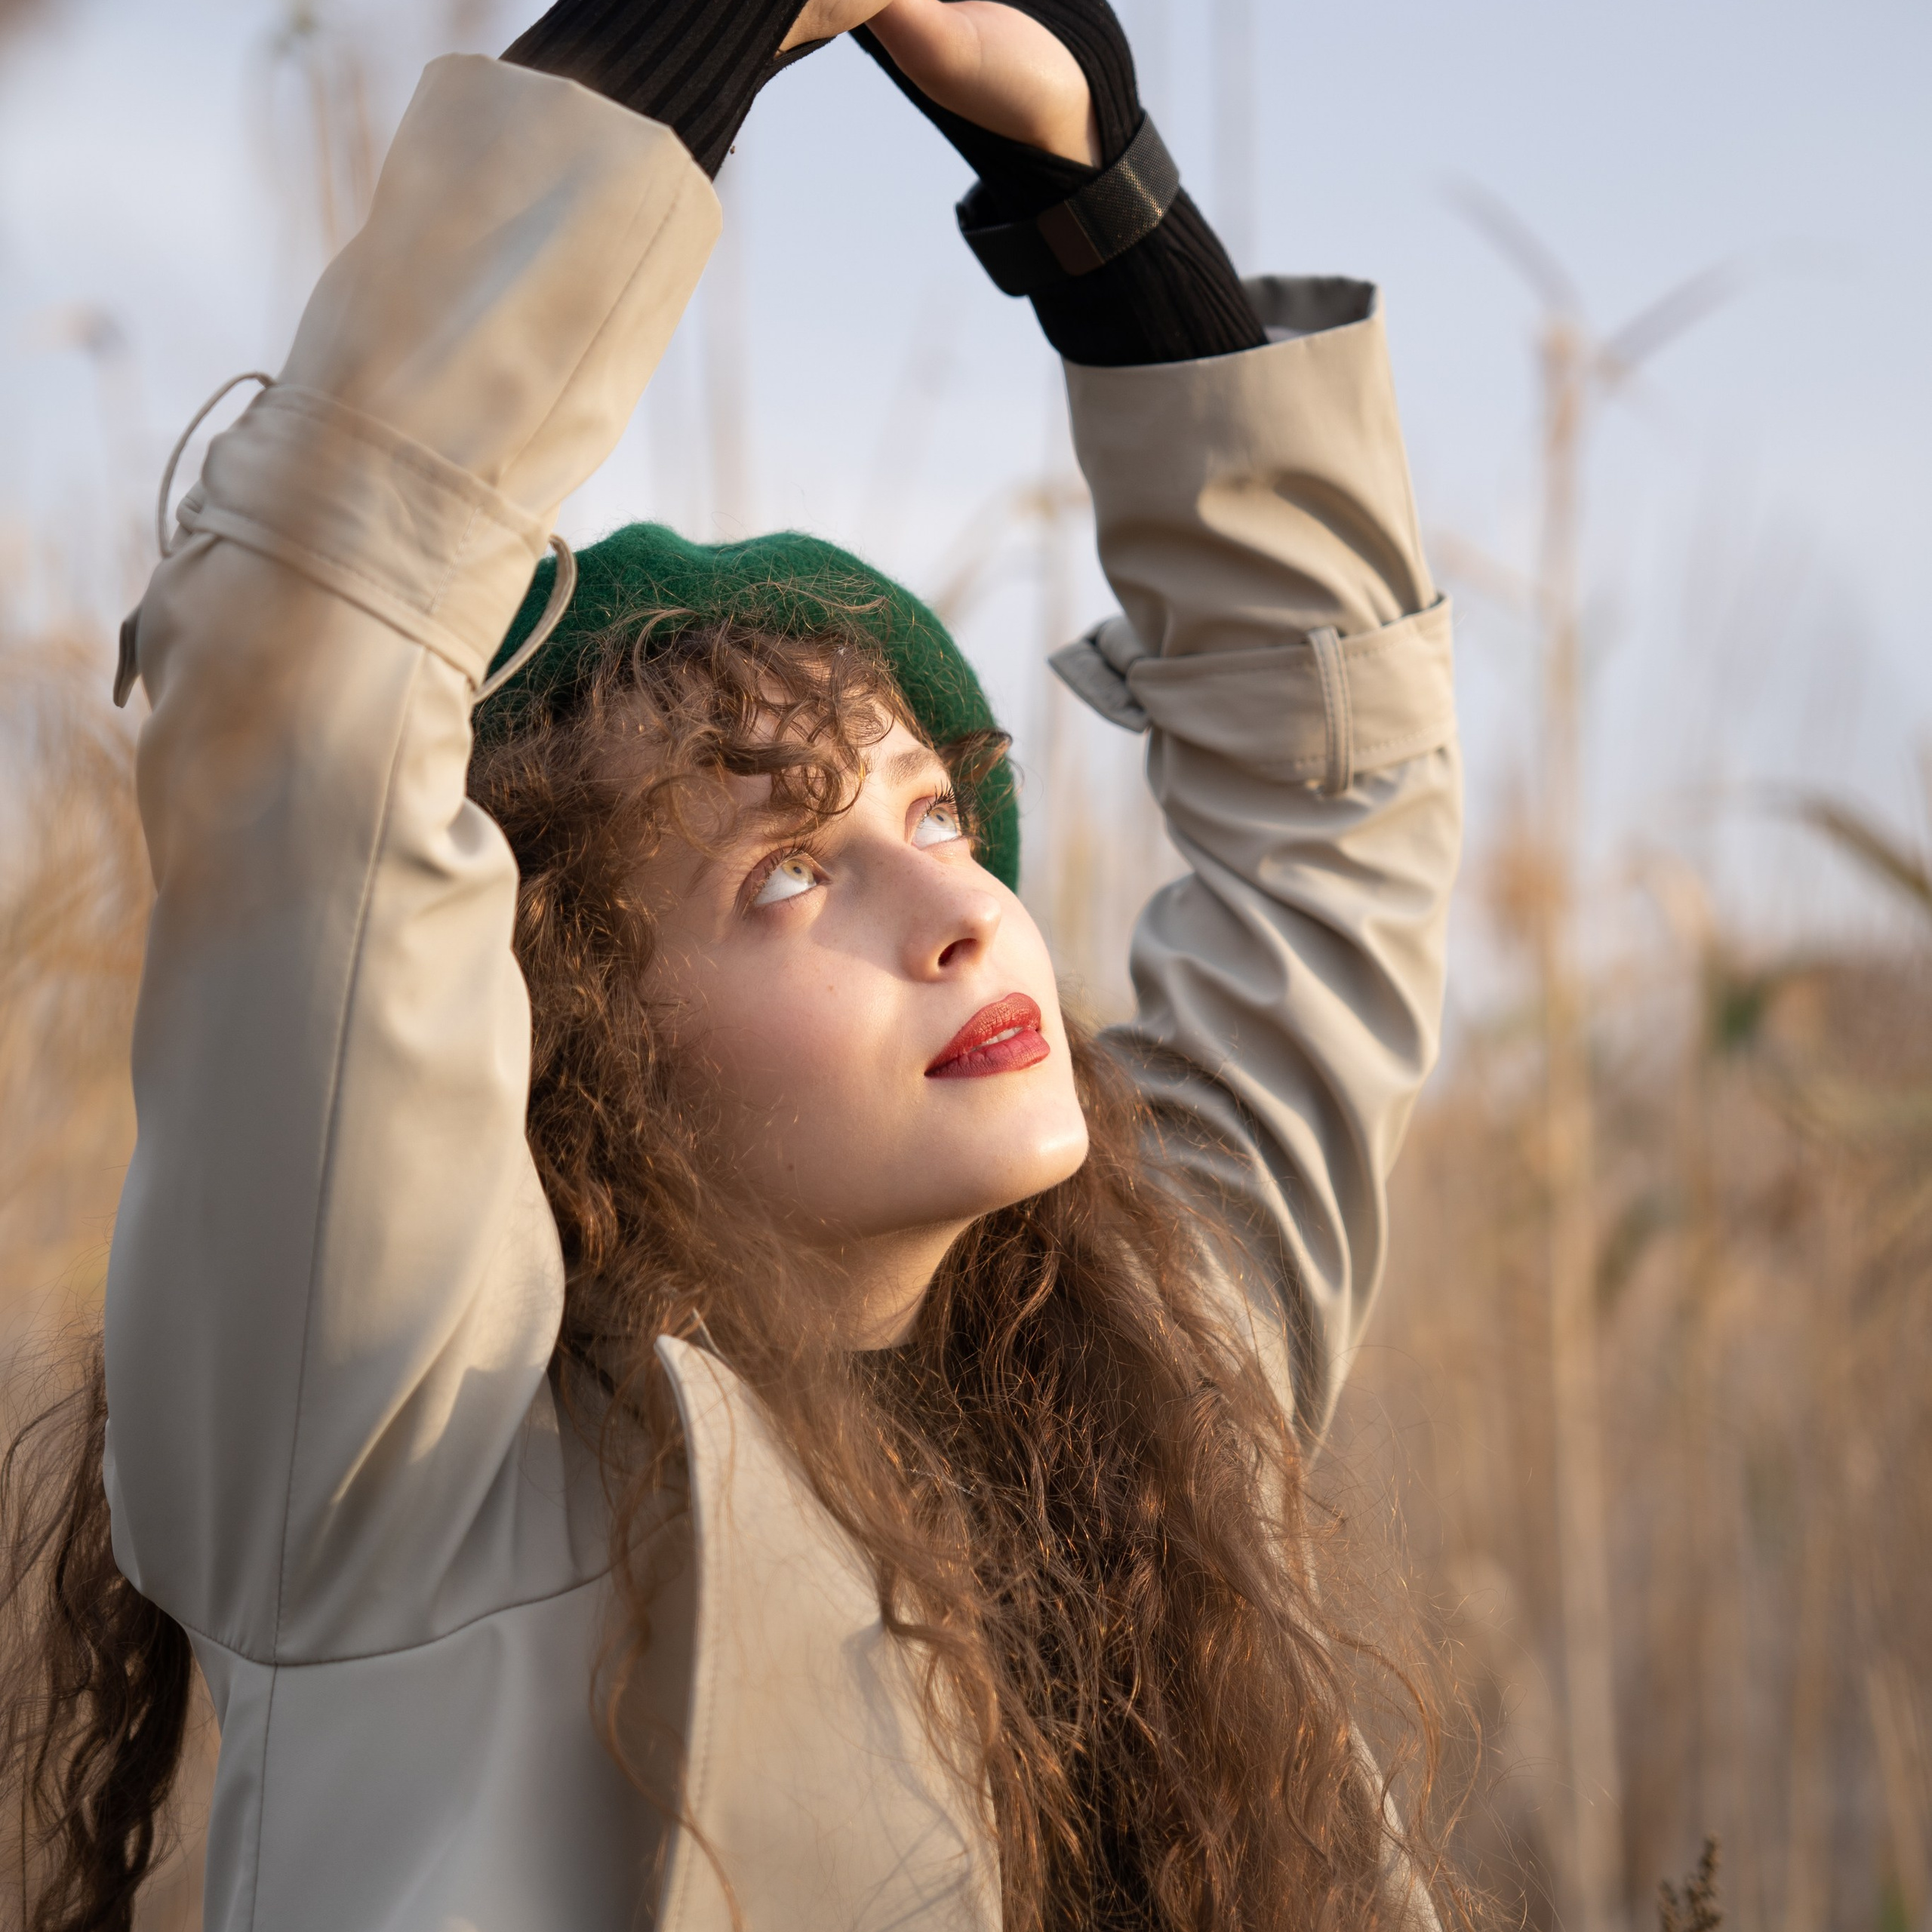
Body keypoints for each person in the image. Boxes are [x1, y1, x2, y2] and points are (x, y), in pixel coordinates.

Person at [1, 1, 1462, 1927]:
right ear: (551, 1028)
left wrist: (1108, 214)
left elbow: (1335, 818)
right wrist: (683, 25)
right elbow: (302, 695)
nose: (957, 913)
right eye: (785, 872)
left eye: (935, 820)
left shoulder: (1160, 1370)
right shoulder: (389, 1443)